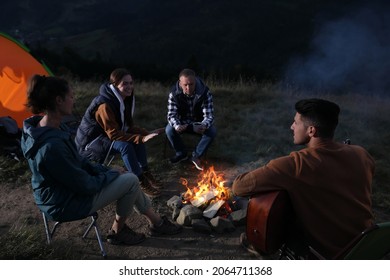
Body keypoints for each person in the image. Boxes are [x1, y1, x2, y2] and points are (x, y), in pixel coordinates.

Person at [21, 75, 181, 246]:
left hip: (63, 193)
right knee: (131, 180)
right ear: (59, 100)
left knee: (126, 177)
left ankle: (156, 222)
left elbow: (79, 163)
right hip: (64, 203)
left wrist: (107, 170)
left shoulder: (48, 128)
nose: (73, 100)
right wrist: (111, 174)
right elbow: (85, 185)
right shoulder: (52, 147)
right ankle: (117, 232)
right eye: (71, 96)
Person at [232, 98, 375, 259]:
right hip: (365, 246)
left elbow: (239, 186)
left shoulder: (296, 164)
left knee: (282, 203)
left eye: (296, 122)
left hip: (329, 254)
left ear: (311, 131)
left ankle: (262, 248)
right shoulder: (361, 154)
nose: (291, 127)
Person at [75, 68, 164, 198]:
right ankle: (140, 181)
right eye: (125, 83)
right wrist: (140, 138)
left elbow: (127, 127)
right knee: (126, 145)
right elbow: (114, 135)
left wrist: (146, 133)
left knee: (137, 141)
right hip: (90, 143)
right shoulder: (104, 105)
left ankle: (145, 173)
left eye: (131, 83)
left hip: (105, 137)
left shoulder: (123, 100)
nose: (129, 87)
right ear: (115, 85)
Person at [166, 69, 216, 171]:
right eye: (185, 85)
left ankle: (196, 156)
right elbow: (171, 115)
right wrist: (177, 126)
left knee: (212, 131)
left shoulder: (204, 92)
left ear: (196, 81)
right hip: (182, 123)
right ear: (180, 83)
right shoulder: (174, 94)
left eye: (191, 84)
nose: (188, 88)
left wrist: (203, 125)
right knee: (169, 129)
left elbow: (209, 116)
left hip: (198, 123)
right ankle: (181, 153)